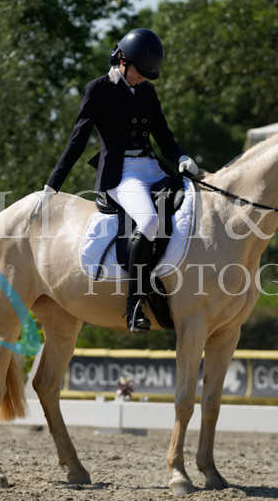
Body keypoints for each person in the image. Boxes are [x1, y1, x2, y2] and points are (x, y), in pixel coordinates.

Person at [39, 28, 199, 332]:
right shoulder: (99, 89)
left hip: (152, 168)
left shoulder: (146, 91)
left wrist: (181, 157)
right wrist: (53, 184)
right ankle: (135, 303)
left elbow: (163, 135)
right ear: (123, 61)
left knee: (191, 205)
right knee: (148, 222)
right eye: (140, 73)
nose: (142, 79)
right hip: (122, 175)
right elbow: (77, 140)